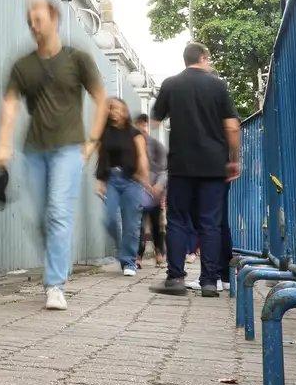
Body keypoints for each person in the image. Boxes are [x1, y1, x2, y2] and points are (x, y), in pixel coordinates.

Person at [0, 0, 108, 311]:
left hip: (69, 149)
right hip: (34, 151)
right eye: (29, 19)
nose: (33, 24)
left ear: (54, 18)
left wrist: (93, 141)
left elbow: (102, 99)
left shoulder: (78, 59)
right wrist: (3, 142)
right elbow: (10, 105)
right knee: (38, 217)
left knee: (58, 211)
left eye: (38, 17)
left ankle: (55, 284)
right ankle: (58, 262)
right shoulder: (23, 66)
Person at [149, 43, 240, 298]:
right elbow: (232, 127)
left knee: (177, 220)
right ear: (203, 57)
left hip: (181, 164)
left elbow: (154, 120)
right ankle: (210, 282)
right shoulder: (218, 85)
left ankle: (175, 278)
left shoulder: (171, 84)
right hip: (214, 165)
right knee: (210, 223)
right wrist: (233, 159)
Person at [95, 98, 151, 277]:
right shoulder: (104, 132)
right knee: (110, 218)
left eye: (118, 109)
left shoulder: (134, 133)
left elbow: (142, 156)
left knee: (131, 224)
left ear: (125, 111)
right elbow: (101, 157)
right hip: (111, 178)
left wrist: (145, 178)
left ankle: (128, 261)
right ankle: (122, 248)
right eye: (111, 109)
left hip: (132, 180)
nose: (115, 112)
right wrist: (101, 181)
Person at [135, 113, 168, 267]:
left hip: (155, 190)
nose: (142, 128)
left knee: (156, 224)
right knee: (138, 224)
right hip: (138, 189)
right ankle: (138, 255)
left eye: (145, 124)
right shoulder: (132, 146)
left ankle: (159, 252)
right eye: (139, 124)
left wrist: (159, 187)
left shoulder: (156, 145)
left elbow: (163, 170)